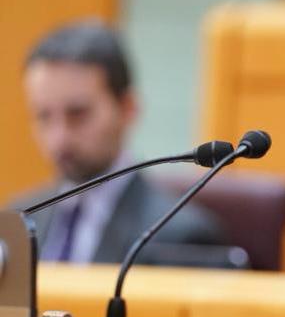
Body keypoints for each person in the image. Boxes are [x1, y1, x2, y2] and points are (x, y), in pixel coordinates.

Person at [11, 20, 226, 266]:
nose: (60, 137)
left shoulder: (179, 235)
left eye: (78, 114)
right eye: (44, 116)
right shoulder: (16, 220)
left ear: (127, 109)